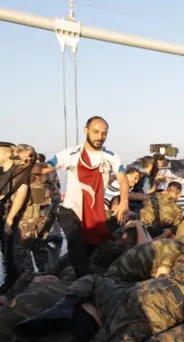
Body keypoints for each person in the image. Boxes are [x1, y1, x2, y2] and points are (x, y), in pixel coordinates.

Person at [40, 116, 129, 278]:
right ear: (86, 131)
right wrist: (28, 163)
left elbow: (123, 178)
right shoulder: (71, 154)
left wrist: (124, 202)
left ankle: (65, 273)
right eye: (96, 132)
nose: (99, 137)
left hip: (93, 213)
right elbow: (45, 167)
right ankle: (86, 284)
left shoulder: (111, 157)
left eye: (104, 133)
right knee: (75, 244)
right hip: (70, 210)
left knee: (88, 249)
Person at [0, 142, 30, 294]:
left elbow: (21, 194)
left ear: (6, 155)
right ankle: (9, 283)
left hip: (14, 218)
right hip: (3, 216)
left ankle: (19, 288)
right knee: (6, 253)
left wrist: (10, 218)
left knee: (16, 255)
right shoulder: (1, 171)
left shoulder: (19, 171)